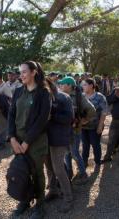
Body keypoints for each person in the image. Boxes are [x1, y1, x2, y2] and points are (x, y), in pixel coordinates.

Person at [8, 61, 51, 218]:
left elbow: (42, 120)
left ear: (34, 72)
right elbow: (11, 115)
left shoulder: (43, 93)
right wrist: (12, 138)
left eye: (24, 72)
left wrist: (27, 142)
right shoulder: (19, 91)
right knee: (21, 170)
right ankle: (25, 200)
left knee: (37, 172)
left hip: (36, 141)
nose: (21, 75)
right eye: (20, 72)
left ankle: (40, 205)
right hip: (18, 140)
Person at [59, 76, 96, 184]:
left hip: (74, 131)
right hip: (64, 131)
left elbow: (92, 110)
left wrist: (84, 120)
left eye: (63, 84)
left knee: (75, 153)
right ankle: (69, 174)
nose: (60, 86)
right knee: (67, 154)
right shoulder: (61, 96)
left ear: (69, 85)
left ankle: (83, 174)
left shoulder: (79, 97)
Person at [45, 79, 74, 213]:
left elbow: (69, 119)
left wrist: (52, 115)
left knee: (58, 169)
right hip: (46, 138)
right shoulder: (43, 97)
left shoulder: (63, 97)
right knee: (49, 167)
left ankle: (68, 198)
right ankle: (53, 190)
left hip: (59, 138)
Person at [81, 78, 108, 168]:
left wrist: (100, 125)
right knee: (85, 145)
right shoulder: (81, 96)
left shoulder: (99, 97)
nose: (82, 86)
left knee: (95, 144)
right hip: (83, 126)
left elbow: (104, 112)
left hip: (95, 126)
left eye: (84, 85)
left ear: (91, 85)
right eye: (82, 85)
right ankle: (84, 162)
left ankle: (97, 161)